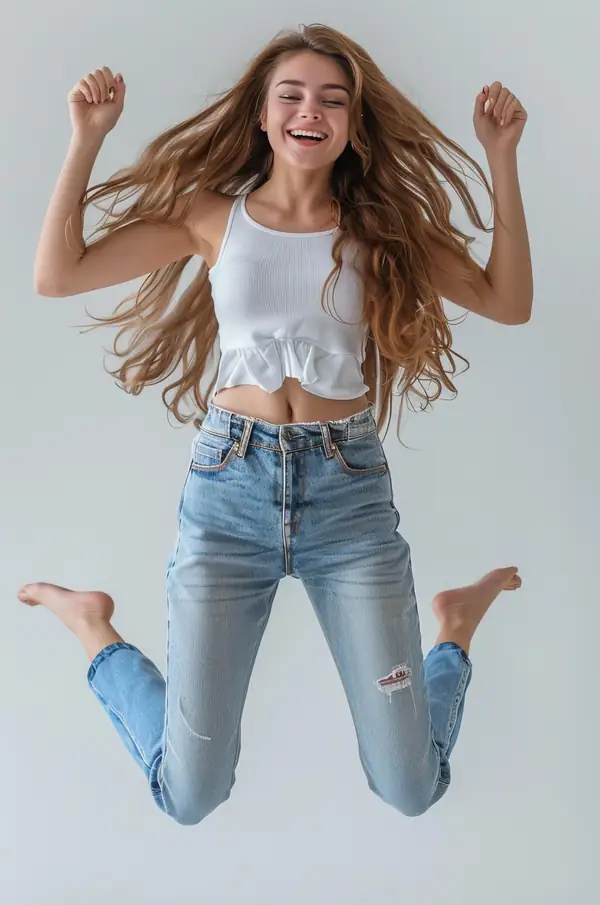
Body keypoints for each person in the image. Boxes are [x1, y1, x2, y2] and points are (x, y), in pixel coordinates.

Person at [18, 24, 531, 826]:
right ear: (262, 116)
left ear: (353, 124)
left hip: (348, 498)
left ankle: (454, 629)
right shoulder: (209, 217)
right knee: (190, 793)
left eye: (333, 99)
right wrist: (86, 137)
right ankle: (94, 629)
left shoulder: (380, 228)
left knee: (410, 785)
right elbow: (58, 274)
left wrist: (501, 157)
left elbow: (508, 301)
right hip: (230, 492)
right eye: (290, 95)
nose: (309, 110)